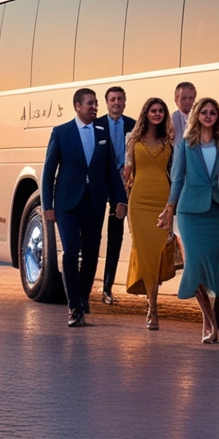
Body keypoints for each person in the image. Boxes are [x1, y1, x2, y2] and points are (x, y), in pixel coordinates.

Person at [42, 88, 127, 327]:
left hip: (94, 203)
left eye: (96, 103)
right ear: (77, 106)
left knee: (90, 255)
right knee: (71, 252)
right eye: (90, 103)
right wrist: (48, 206)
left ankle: (81, 300)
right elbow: (49, 171)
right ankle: (72, 306)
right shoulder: (61, 133)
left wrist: (120, 200)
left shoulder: (102, 132)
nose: (94, 107)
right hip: (67, 204)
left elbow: (111, 170)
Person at [158, 98, 219, 343]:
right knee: (193, 265)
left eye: (212, 113)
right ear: (197, 115)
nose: (208, 116)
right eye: (204, 112)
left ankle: (208, 321)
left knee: (212, 268)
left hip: (216, 211)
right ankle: (210, 321)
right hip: (189, 211)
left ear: (217, 117)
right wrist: (169, 208)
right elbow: (177, 178)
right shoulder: (186, 144)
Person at [123, 97, 175, 330]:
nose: (157, 114)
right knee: (143, 251)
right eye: (153, 111)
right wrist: (123, 203)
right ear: (146, 113)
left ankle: (153, 302)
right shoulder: (131, 139)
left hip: (162, 199)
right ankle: (151, 307)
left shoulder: (170, 140)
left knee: (157, 252)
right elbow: (127, 175)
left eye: (160, 111)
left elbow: (175, 173)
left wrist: (173, 205)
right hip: (139, 201)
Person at [94, 86, 134, 305]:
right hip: (101, 186)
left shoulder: (133, 125)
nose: (116, 103)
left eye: (120, 99)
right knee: (93, 237)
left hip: (123, 187)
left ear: (125, 102)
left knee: (116, 237)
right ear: (106, 103)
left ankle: (107, 288)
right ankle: (88, 284)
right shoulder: (97, 125)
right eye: (112, 99)